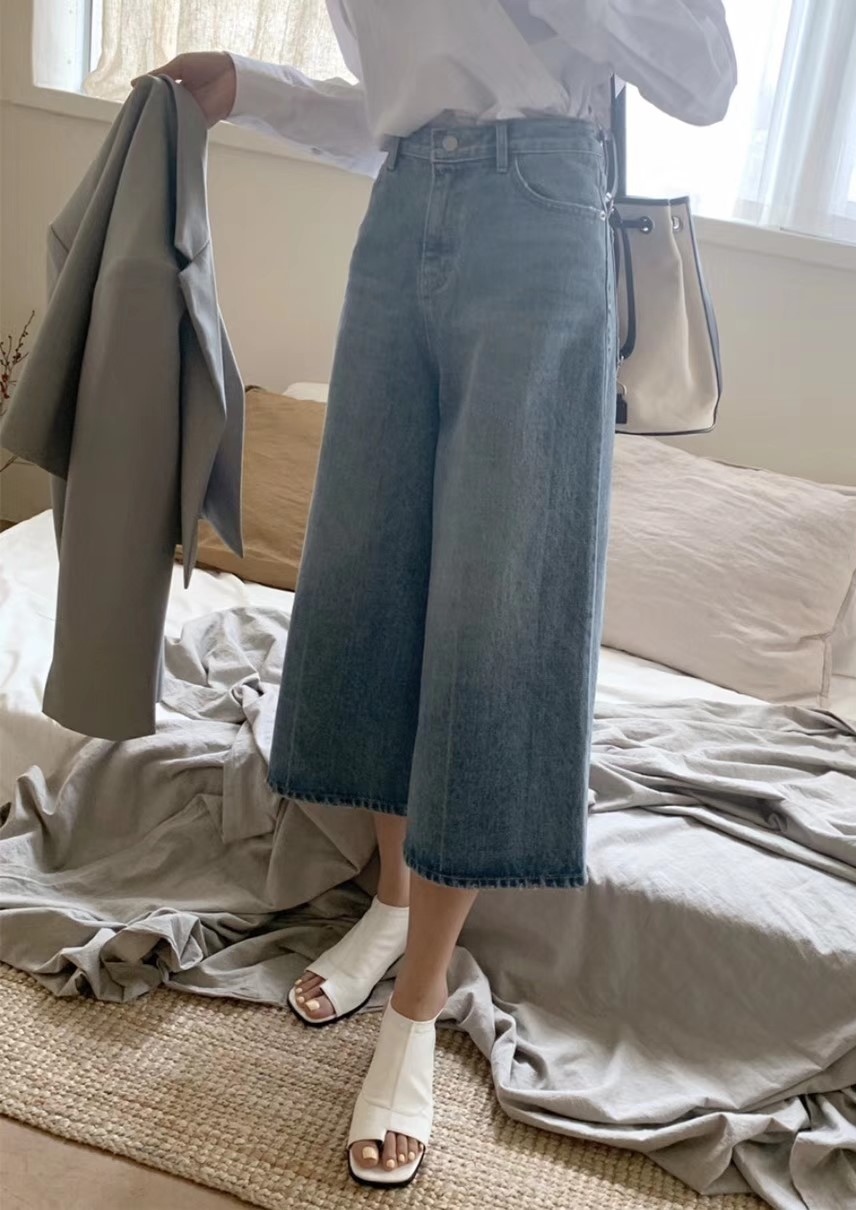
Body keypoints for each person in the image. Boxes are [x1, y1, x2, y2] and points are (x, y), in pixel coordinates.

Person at [150, 0, 736, 1188]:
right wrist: (252, 87)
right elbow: (397, 112)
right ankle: (389, 897)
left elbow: (704, 79)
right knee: (374, 580)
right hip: (403, 210)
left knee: (495, 607)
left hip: (544, 221)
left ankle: (416, 1003)